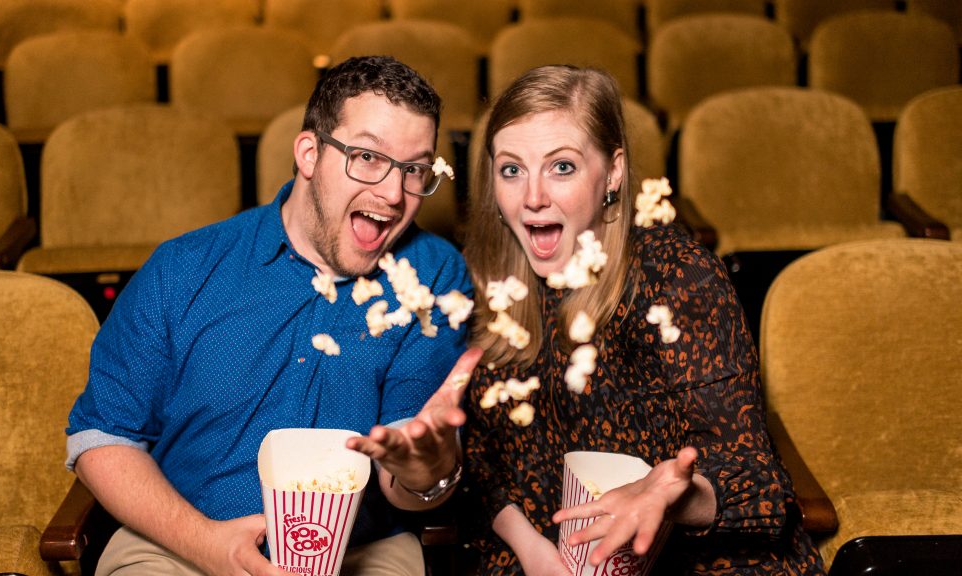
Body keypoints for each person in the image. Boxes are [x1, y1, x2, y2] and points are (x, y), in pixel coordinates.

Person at [66, 55, 480, 576]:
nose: (394, 195)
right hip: (178, 542)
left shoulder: (433, 276)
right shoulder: (182, 269)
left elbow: (407, 474)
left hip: (361, 550)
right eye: (368, 158)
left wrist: (428, 471)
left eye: (415, 169)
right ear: (309, 153)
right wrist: (204, 544)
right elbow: (101, 437)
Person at [460, 65, 826, 574]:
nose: (533, 197)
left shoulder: (675, 278)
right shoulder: (485, 285)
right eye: (511, 169)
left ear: (612, 172)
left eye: (561, 167)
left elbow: (758, 481)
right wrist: (529, 546)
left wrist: (676, 498)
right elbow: (480, 459)